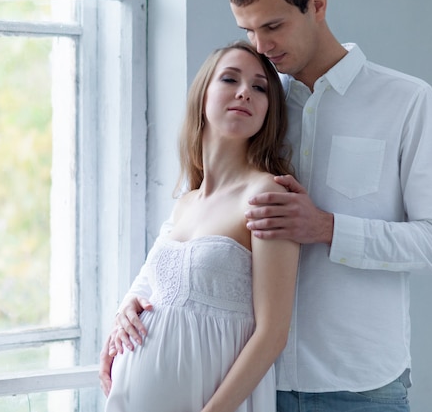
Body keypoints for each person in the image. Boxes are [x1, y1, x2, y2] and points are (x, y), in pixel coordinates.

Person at [101, 0, 432, 411]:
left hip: (356, 387)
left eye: (272, 27)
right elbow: (196, 218)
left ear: (317, 5)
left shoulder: (405, 101)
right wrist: (136, 301)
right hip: (254, 386)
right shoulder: (258, 102)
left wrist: (327, 228)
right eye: (248, 31)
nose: (261, 46)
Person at [102, 40, 300, 412]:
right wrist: (124, 312)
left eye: (259, 87)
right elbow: (151, 287)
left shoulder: (268, 195)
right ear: (202, 95)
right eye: (230, 79)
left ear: (268, 111)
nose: (245, 91)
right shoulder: (186, 202)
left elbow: (273, 334)